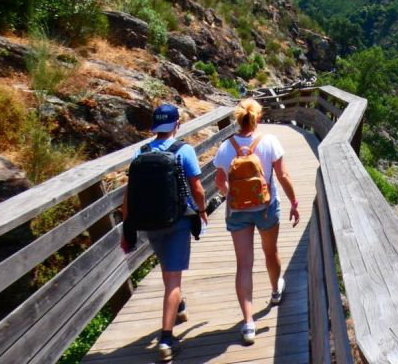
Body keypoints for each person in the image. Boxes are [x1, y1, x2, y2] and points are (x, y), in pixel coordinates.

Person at [120, 103, 207, 362]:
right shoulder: (184, 150)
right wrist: (201, 211)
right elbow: (198, 188)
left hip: (150, 223)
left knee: (168, 270)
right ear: (176, 124)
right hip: (177, 222)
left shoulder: (140, 152)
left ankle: (178, 306)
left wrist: (127, 227)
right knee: (173, 281)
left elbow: (129, 194)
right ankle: (166, 339)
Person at [213, 98, 300, 345]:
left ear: (238, 119)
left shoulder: (226, 147)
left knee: (244, 264)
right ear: (258, 117)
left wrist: (233, 195)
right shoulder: (269, 141)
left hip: (238, 211)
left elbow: (220, 182)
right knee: (270, 252)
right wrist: (294, 202)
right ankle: (275, 292)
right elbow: (282, 175)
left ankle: (248, 324)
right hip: (266, 207)